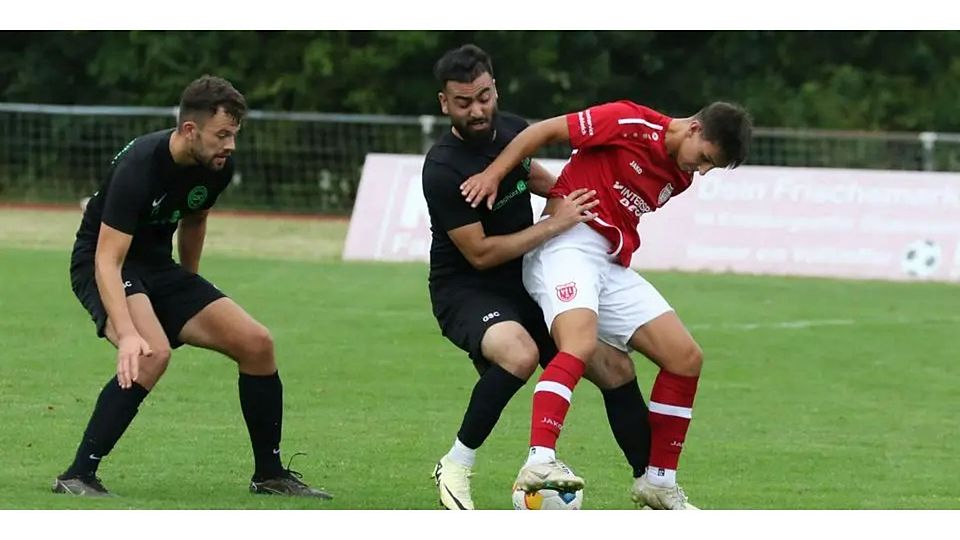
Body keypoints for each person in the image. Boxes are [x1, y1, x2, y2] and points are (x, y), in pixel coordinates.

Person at [460, 97, 752, 509]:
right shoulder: (626, 119)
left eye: (711, 168)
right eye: (704, 158)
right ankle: (539, 461)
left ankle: (659, 482)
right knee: (577, 344)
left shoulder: (680, 176)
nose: (701, 171)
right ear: (694, 129)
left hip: (608, 259)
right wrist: (493, 175)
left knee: (686, 357)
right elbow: (540, 132)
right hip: (565, 243)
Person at [54, 75, 331, 499]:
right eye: (222, 134)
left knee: (257, 343)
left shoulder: (217, 166)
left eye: (234, 135)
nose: (230, 145)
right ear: (189, 130)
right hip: (106, 262)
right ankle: (77, 475)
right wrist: (127, 333)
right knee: (152, 352)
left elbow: (195, 218)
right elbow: (107, 259)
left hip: (157, 266)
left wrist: (190, 285)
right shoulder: (139, 166)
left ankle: (270, 475)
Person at [423, 44, 655, 510]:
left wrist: (587, 202)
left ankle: (654, 485)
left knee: (615, 367)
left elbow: (542, 181)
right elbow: (482, 255)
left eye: (484, 96)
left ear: (495, 89)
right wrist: (556, 224)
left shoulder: (510, 131)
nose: (478, 110)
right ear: (444, 103)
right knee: (520, 352)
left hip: (524, 280)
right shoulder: (443, 168)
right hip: (466, 288)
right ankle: (455, 464)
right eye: (464, 102)